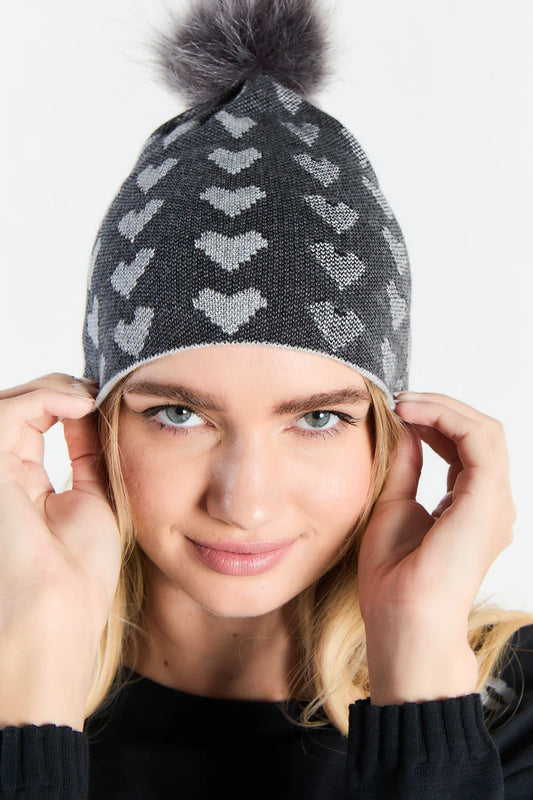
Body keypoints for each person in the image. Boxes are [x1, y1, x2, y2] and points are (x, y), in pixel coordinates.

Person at [1, 0, 532, 797]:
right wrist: (33, 686)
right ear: (94, 424)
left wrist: (421, 668)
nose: (244, 504)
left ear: (389, 437)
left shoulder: (513, 709)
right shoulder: (14, 676)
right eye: (178, 414)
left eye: (317, 418)